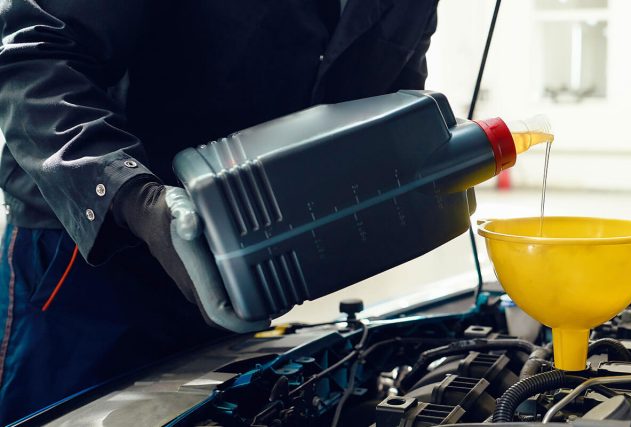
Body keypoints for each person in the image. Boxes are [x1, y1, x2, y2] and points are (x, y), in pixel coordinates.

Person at [0, 0, 439, 422]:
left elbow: (382, 113)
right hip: (91, 254)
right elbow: (37, 54)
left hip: (241, 269)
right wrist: (137, 199)